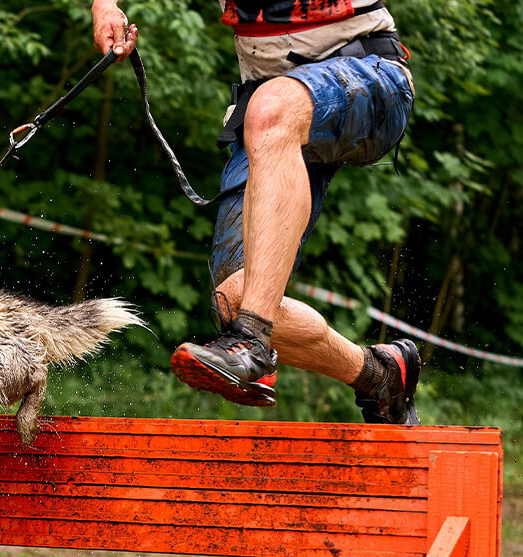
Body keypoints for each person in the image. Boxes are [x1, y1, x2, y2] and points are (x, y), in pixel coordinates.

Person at [90, 0, 420, 425]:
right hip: (270, 109)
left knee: (271, 109)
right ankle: (380, 375)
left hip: (371, 77)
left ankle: (251, 343)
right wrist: (105, 5)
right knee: (237, 299)